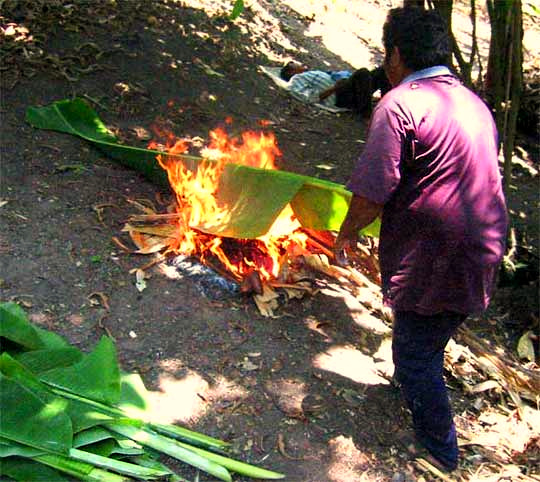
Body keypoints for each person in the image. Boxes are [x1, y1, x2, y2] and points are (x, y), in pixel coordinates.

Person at [333, 7, 508, 472]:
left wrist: (345, 234)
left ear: (395, 54)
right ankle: (409, 383)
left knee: (415, 351)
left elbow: (372, 191)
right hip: (483, 245)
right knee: (424, 332)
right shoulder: (473, 103)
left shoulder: (400, 102)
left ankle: (439, 453)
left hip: (440, 252)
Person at [280, 61, 390, 116]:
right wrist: (334, 88)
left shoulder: (309, 73)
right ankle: (366, 113)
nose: (297, 62)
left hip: (346, 90)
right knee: (363, 72)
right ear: (290, 71)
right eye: (292, 63)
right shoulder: (296, 78)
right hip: (340, 96)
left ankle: (387, 104)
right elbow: (308, 98)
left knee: (383, 70)